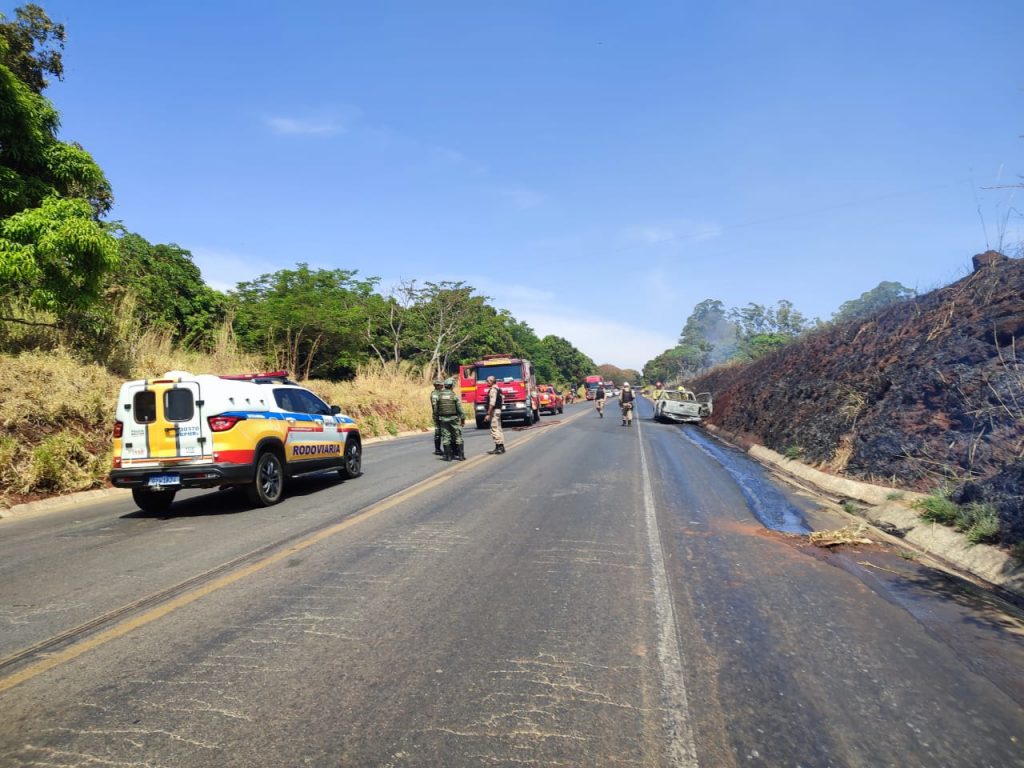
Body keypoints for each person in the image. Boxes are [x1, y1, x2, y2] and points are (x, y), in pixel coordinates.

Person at [435, 378, 466, 461]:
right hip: (454, 419)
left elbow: (436, 409)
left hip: (443, 419)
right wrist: (462, 419)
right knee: (458, 436)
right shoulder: (454, 396)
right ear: (452, 386)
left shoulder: (439, 396)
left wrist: (436, 419)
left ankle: (448, 456)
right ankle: (461, 456)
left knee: (446, 436)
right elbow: (460, 409)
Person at [483, 374, 505, 454]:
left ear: (492, 381)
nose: (486, 382)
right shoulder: (498, 389)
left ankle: (499, 447)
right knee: (499, 428)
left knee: (494, 428)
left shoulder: (493, 390)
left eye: (488, 381)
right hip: (498, 410)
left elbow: (492, 403)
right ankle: (500, 446)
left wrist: (488, 413)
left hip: (494, 411)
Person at [429, 378, 444, 455]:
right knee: (438, 432)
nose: (442, 386)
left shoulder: (440, 392)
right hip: (438, 416)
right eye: (440, 385)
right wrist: (437, 416)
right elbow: (435, 407)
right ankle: (437, 449)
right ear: (437, 385)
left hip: (442, 415)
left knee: (444, 431)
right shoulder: (435, 394)